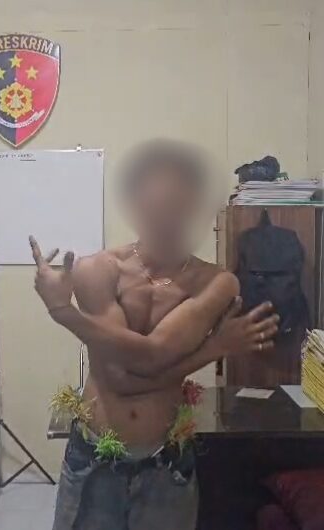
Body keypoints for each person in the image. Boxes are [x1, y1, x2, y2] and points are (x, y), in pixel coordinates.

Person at [30, 139, 279, 530]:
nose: (166, 217)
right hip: (94, 460)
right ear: (137, 207)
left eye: (178, 205)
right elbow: (121, 377)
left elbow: (151, 355)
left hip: (166, 465)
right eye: (156, 204)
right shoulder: (96, 270)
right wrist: (215, 347)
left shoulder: (216, 283)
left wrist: (64, 313)